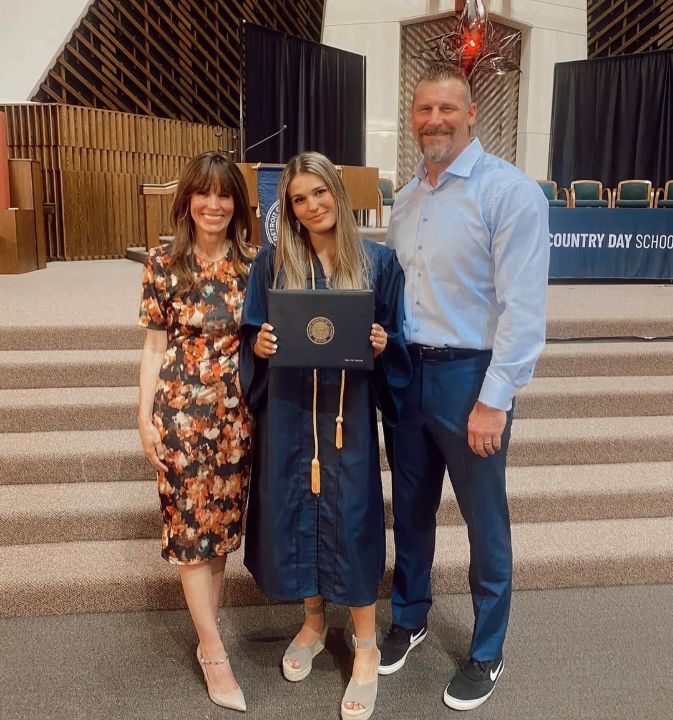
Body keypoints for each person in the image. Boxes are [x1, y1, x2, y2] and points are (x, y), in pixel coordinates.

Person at [380, 63, 550, 711]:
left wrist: (494, 397)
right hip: (407, 375)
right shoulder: (408, 199)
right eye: (423, 109)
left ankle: (486, 651)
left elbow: (522, 309)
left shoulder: (507, 193)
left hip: (469, 378)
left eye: (447, 109)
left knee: (485, 523)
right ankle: (410, 615)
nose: (434, 121)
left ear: (471, 113)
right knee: (412, 509)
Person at [240, 151, 411, 720]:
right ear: (286, 209)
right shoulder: (272, 264)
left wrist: (386, 345)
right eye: (298, 199)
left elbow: (395, 338)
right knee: (296, 514)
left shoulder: (379, 264)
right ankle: (313, 623)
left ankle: (365, 644)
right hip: (289, 416)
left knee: (353, 519)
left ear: (338, 190)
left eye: (320, 192)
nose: (312, 206)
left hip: (347, 419)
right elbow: (251, 336)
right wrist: (259, 348)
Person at [138, 150, 256, 712]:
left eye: (224, 194)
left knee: (220, 533)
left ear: (237, 203)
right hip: (181, 416)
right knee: (190, 534)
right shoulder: (163, 264)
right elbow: (155, 346)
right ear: (187, 200)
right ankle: (213, 650)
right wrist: (143, 418)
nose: (214, 205)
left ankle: (209, 631)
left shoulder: (253, 267)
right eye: (203, 194)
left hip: (236, 418)